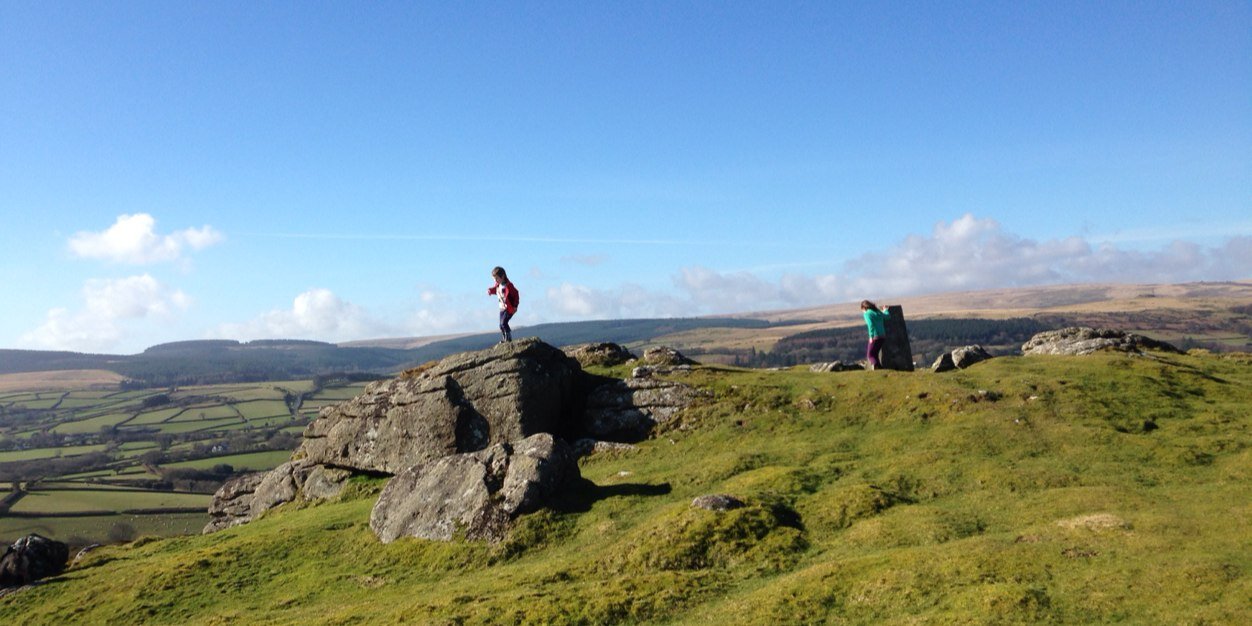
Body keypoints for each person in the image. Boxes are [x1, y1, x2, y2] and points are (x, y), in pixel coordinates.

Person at [487, 266, 519, 343]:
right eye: (494, 279)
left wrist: (515, 306)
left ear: (503, 276)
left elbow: (516, 295)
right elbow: (496, 290)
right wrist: (490, 291)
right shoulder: (498, 285)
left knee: (504, 323)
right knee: (501, 325)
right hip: (501, 308)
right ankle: (505, 338)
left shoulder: (509, 286)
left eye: (497, 278)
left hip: (509, 308)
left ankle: (508, 339)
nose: (495, 280)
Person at [861, 300, 890, 370]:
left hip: (875, 336)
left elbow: (870, 325)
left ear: (864, 308)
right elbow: (887, 317)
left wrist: (871, 336)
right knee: (875, 354)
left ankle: (876, 366)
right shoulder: (877, 311)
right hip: (882, 335)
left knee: (870, 355)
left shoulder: (867, 314)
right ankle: (880, 368)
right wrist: (886, 310)